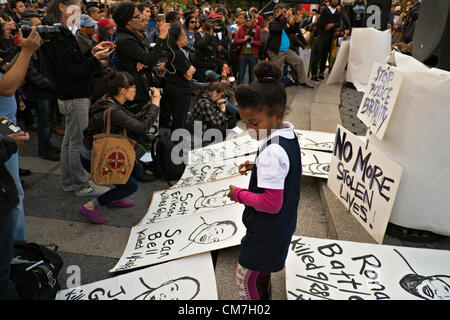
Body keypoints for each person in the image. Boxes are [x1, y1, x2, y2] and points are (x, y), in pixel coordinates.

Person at [227, 62, 302, 300]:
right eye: (245, 122)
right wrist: (257, 166)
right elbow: (288, 171)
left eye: (254, 123)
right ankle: (264, 292)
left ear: (277, 116)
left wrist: (237, 194)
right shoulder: (288, 135)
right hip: (282, 225)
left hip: (266, 230)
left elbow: (271, 204)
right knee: (260, 271)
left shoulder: (271, 151)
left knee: (244, 277)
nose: (248, 128)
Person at [40, 0, 113, 197]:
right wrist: (95, 60)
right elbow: (69, 72)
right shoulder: (56, 36)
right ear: (63, 8)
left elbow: (76, 61)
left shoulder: (64, 33)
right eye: (78, 9)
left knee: (70, 140)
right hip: (74, 95)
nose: (81, 13)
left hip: (73, 94)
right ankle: (81, 184)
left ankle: (69, 181)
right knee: (76, 142)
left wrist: (93, 52)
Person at [79, 71, 160, 224]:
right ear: (123, 90)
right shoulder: (113, 110)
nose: (135, 91)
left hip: (99, 151)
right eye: (133, 88)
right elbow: (142, 127)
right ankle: (90, 207)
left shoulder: (109, 101)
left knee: (136, 169)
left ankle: (113, 197)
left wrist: (150, 104)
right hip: (94, 157)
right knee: (131, 187)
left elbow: (132, 119)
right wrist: (155, 105)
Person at [0, 27, 40, 299]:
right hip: (3, 139)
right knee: (10, 196)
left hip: (6, 131)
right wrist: (27, 51)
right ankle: (14, 251)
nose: (7, 24)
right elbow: (7, 86)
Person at [113, 1, 168, 111]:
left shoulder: (133, 36)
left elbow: (147, 58)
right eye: (138, 17)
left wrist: (144, 59)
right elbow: (150, 60)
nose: (141, 19)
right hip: (134, 93)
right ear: (128, 21)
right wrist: (161, 37)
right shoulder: (126, 39)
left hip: (140, 87)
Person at [266, 4, 313, 88]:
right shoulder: (273, 23)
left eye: (284, 12)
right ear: (276, 13)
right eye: (282, 12)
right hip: (277, 51)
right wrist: (285, 18)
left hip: (287, 50)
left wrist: (296, 22)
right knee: (277, 71)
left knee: (298, 61)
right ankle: (274, 87)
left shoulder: (286, 22)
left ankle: (302, 81)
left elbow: (293, 31)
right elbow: (277, 28)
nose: (284, 14)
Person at [159, 23, 195, 131]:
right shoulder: (176, 54)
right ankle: (177, 144)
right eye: (184, 35)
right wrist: (192, 68)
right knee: (179, 122)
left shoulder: (175, 52)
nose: (186, 37)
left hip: (176, 90)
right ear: (177, 38)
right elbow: (188, 75)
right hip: (180, 91)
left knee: (178, 120)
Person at [310, 0, 341, 82]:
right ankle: (313, 73)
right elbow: (320, 23)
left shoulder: (337, 12)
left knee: (325, 55)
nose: (335, 1)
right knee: (317, 54)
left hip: (330, 36)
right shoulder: (325, 11)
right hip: (322, 35)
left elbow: (338, 23)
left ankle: (321, 72)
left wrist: (332, 25)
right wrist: (326, 26)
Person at [233, 12, 261, 85]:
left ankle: (251, 91)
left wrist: (253, 42)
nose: (248, 22)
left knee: (252, 75)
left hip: (253, 55)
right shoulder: (241, 28)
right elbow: (235, 41)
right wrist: (243, 40)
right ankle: (239, 91)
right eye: (247, 20)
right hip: (242, 55)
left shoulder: (257, 28)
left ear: (252, 19)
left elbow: (260, 42)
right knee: (241, 75)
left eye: (250, 20)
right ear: (244, 20)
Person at [193, 16, 218, 82]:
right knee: (203, 86)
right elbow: (201, 45)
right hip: (203, 66)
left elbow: (216, 47)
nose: (211, 23)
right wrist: (209, 35)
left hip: (213, 64)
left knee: (213, 86)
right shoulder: (198, 34)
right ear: (203, 23)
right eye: (209, 21)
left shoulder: (214, 34)